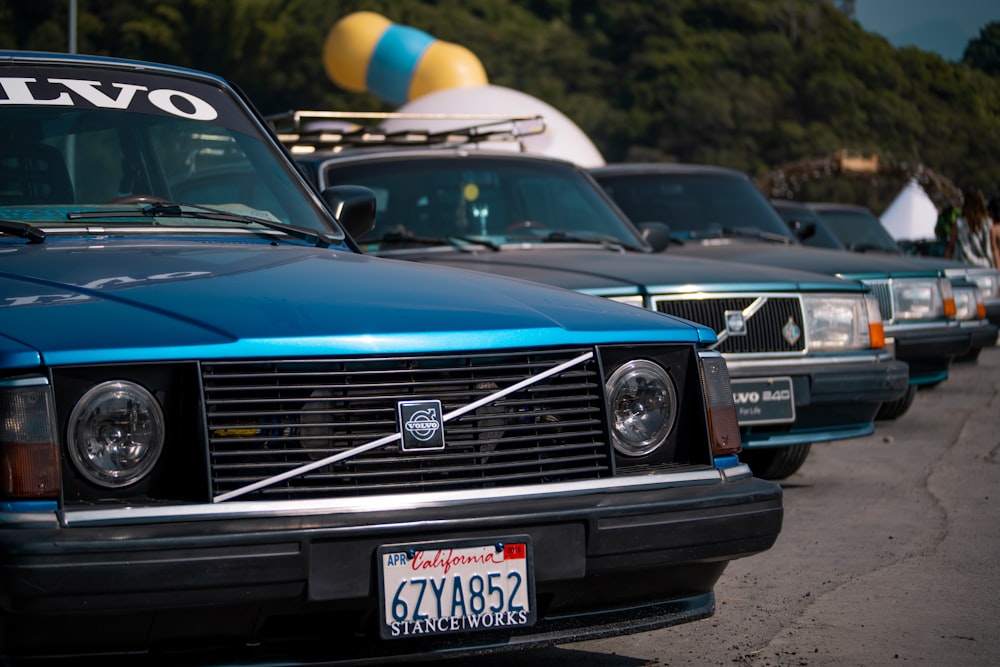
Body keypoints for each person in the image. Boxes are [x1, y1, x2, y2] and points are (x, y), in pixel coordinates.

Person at [945, 188, 1000, 269]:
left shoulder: (959, 224)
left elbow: (951, 247)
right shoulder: (988, 224)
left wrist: (945, 266)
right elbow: (993, 248)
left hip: (963, 267)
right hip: (985, 268)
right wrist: (998, 268)